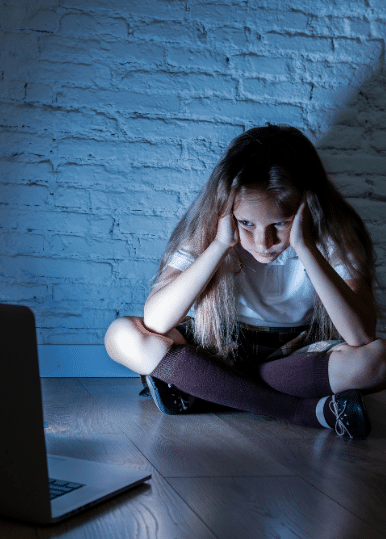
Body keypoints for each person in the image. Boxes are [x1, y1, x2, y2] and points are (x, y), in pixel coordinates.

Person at [105, 124, 386, 438]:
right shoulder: (211, 230)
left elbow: (361, 336)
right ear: (228, 210)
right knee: (122, 335)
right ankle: (303, 410)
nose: (263, 241)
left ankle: (205, 386)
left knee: (378, 360)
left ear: (309, 206)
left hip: (294, 355)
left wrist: (305, 247)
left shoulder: (333, 236)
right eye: (247, 223)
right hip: (217, 345)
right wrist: (219, 246)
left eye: (280, 223)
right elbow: (157, 321)